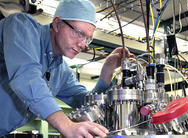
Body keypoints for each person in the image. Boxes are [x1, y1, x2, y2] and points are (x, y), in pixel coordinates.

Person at [0, 0, 134, 137]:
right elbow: (27, 77)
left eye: (88, 39)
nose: (83, 45)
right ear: (57, 24)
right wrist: (67, 125)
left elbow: (84, 101)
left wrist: (107, 69)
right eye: (78, 33)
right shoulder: (22, 26)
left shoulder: (60, 71)